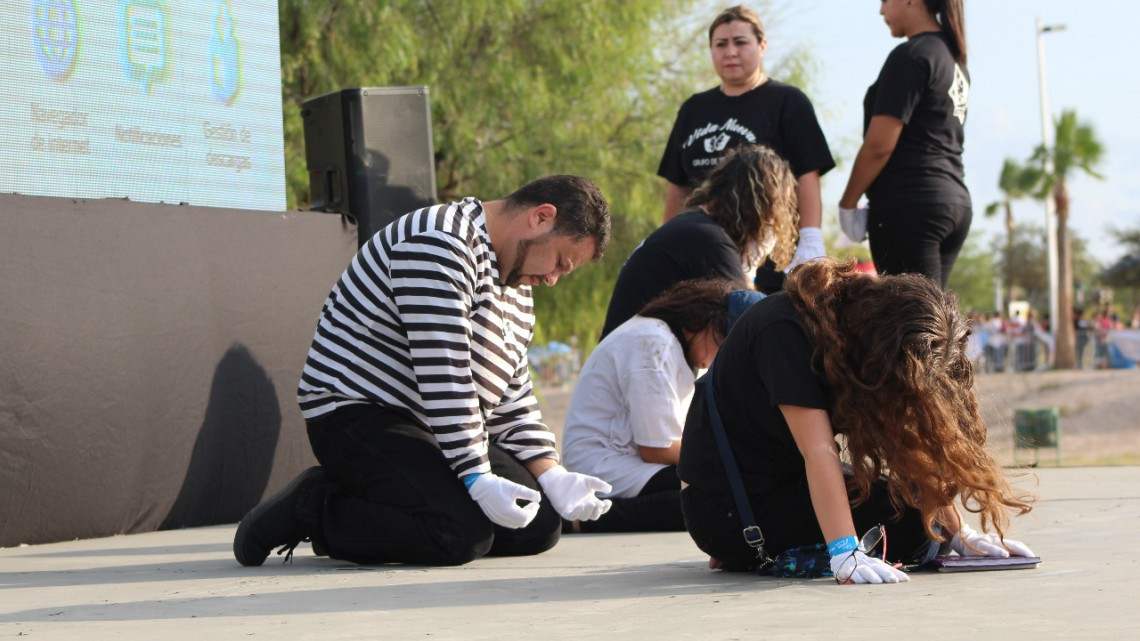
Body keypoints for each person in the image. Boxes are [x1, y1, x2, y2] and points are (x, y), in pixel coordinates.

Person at [234, 175, 616, 567]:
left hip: (435, 427)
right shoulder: (439, 241)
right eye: (559, 262)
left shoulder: (517, 288)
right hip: (356, 413)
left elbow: (511, 399)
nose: (552, 279)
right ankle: (314, 505)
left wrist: (551, 474)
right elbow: (445, 375)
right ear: (541, 217)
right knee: (458, 533)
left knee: (539, 523)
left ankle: (399, 506)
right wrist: (475, 477)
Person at [679, 259, 1035, 584]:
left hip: (769, 486)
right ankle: (737, 545)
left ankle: (747, 546)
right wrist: (844, 551)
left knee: (928, 524)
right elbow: (818, 450)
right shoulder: (784, 330)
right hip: (723, 509)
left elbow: (909, 442)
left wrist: (959, 535)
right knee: (916, 533)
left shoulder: (839, 320)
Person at [563, 280, 764, 533]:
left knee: (719, 490)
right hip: (605, 462)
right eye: (724, 348)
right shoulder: (654, 345)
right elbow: (657, 449)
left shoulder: (668, 343)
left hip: (630, 457)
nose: (719, 361)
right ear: (707, 322)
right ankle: (583, 520)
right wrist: (731, 459)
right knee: (713, 498)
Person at [658, 5, 835, 290]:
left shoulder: (787, 102)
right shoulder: (694, 108)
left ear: (762, 45)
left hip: (770, 254)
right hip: (702, 251)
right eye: (721, 44)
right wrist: (666, 239)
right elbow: (678, 186)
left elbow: (807, 175)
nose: (730, 52)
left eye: (740, 42)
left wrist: (811, 237)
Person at [838, 0, 971, 290]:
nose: (881, 11)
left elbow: (879, 146)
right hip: (953, 201)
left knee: (909, 323)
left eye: (885, 1)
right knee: (933, 319)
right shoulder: (954, 58)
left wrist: (847, 204)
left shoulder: (911, 55)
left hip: (911, 204)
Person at [601, 144, 797, 338]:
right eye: (776, 212)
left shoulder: (695, 228)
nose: (775, 224)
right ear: (759, 207)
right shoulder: (710, 241)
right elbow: (750, 325)